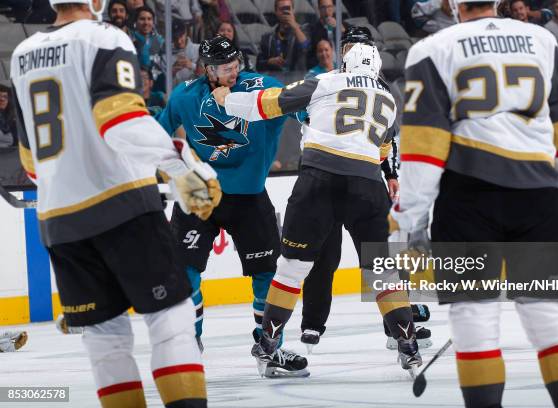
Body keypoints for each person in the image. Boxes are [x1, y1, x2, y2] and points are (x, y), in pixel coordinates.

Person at [10, 1, 221, 406]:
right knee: (172, 323)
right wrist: (182, 170)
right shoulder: (103, 37)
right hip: (122, 206)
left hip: (58, 221)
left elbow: (30, 160)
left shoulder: (21, 55)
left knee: (106, 343)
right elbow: (119, 120)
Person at [392, 0, 558, 405]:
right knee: (548, 314)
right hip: (538, 197)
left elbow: (423, 149)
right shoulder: (542, 40)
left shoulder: (431, 49)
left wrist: (413, 222)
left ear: (452, 3)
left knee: (474, 317)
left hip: (467, 197)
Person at [216, 42, 423, 378]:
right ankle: (409, 347)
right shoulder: (388, 99)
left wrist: (228, 101)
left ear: (348, 64)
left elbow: (269, 104)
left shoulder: (328, 80)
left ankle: (268, 343)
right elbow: (384, 151)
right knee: (384, 273)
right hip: (368, 185)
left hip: (319, 179)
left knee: (291, 269)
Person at [156, 35, 305, 377]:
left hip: (249, 197)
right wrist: (177, 173)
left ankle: (269, 350)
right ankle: (188, 345)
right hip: (200, 196)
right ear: (207, 69)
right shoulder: (184, 96)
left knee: (268, 274)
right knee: (183, 271)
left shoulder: (261, 87)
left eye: (236, 64)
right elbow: (155, 135)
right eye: (225, 67)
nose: (233, 71)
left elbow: (296, 104)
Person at [298, 27, 432, 355]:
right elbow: (305, 118)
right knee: (323, 258)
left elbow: (388, 135)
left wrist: (390, 173)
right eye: (350, 45)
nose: (353, 51)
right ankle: (312, 327)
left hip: (358, 176)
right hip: (331, 174)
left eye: (360, 45)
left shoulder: (373, 84)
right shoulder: (324, 79)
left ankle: (397, 327)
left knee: (379, 257)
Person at [256, 0, 310, 72]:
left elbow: (307, 49)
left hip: (297, 79)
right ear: (276, 12)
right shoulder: (268, 37)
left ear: (293, 10)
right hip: (275, 80)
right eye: (282, 9)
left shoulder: (304, 30)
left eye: (287, 8)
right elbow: (258, 65)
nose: (285, 12)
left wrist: (295, 27)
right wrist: (269, 62)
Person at [307, 0, 347, 68]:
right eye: (323, 7)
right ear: (319, 9)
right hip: (323, 69)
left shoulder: (343, 25)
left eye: (329, 7)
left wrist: (341, 29)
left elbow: (353, 42)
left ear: (333, 8)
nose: (326, 10)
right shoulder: (313, 30)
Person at [170, 20, 199, 85]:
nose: (179, 41)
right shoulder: (166, 55)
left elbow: (209, 73)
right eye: (175, 38)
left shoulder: (198, 49)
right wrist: (172, 72)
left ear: (186, 33)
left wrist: (192, 65)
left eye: (181, 36)